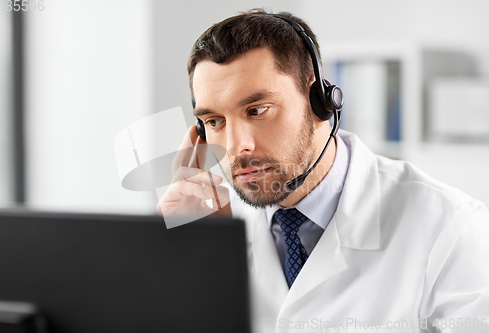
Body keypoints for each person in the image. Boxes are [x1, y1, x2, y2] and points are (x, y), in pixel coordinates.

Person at [156, 9, 489, 333]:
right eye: (214, 122)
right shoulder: (207, 222)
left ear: (320, 102)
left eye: (257, 110)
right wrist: (190, 259)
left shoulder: (452, 230)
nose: (235, 146)